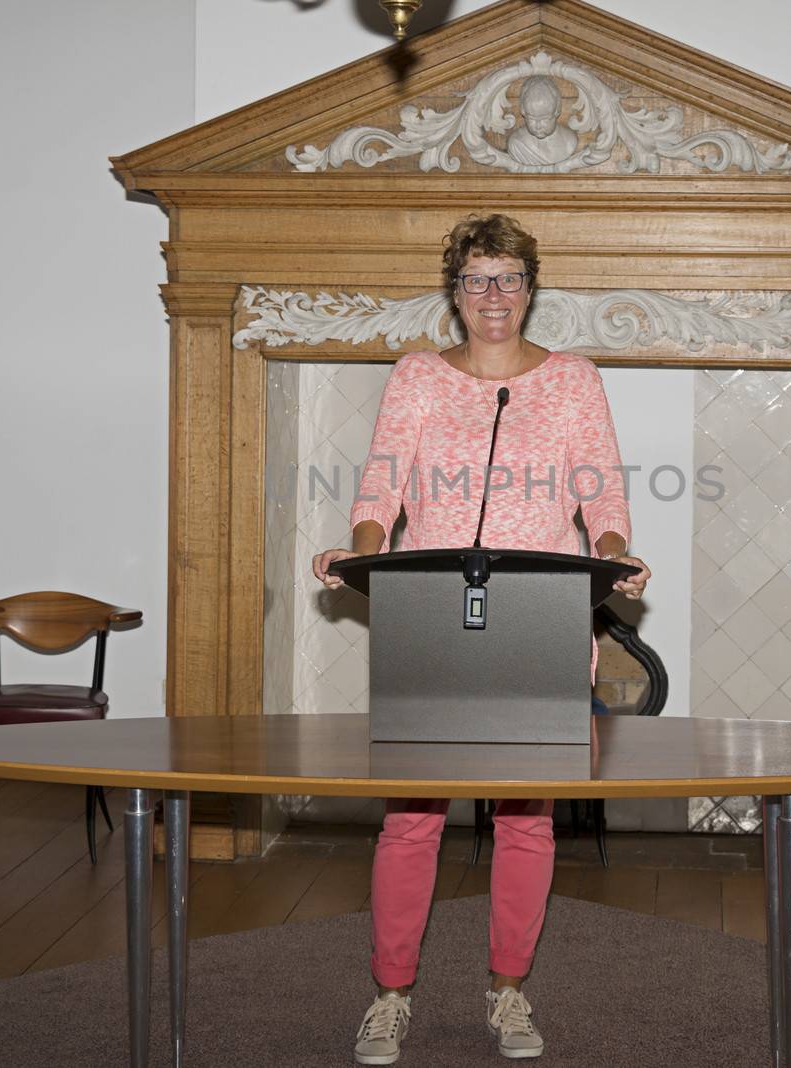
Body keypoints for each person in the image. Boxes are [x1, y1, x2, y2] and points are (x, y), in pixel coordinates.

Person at [313, 213, 651, 1064]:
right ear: (455, 292)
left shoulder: (573, 380)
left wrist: (617, 557)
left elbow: (602, 499)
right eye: (476, 279)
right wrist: (356, 552)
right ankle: (390, 995)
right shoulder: (419, 376)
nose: (493, 295)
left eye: (508, 278)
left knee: (527, 822)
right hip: (434, 620)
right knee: (411, 823)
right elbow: (380, 487)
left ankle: (508, 990)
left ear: (530, 291)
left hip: (539, 619)